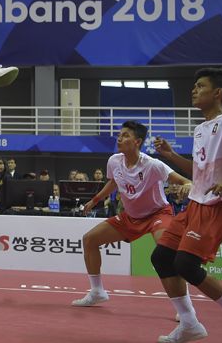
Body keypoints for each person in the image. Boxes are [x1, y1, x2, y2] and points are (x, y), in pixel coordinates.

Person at [151, 68, 222, 343]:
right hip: (194, 204)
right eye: (194, 86)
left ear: (217, 93)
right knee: (162, 257)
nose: (194, 90)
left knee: (186, 264)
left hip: (218, 206)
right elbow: (199, 170)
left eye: (200, 86)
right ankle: (189, 323)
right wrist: (171, 156)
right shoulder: (201, 128)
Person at [71, 121, 191, 308]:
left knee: (167, 253)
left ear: (137, 142)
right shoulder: (114, 161)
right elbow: (113, 183)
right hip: (130, 216)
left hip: (157, 214)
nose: (120, 137)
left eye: (126, 135)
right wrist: (95, 200)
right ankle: (97, 292)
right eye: (120, 134)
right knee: (89, 240)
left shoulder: (153, 165)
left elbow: (184, 181)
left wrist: (187, 186)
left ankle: (185, 307)